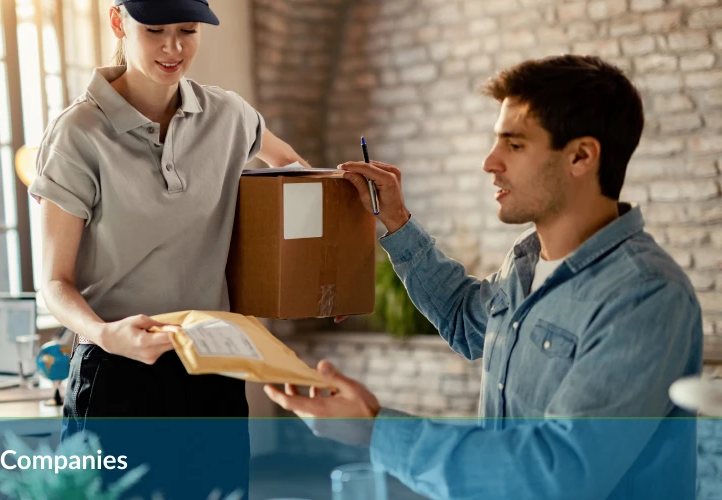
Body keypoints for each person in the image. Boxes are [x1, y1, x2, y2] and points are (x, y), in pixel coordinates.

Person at [265, 54, 703, 500]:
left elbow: (556, 474)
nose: (489, 162)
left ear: (581, 156)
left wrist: (376, 431)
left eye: (513, 145)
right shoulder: (527, 263)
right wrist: (395, 218)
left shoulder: (645, 295)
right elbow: (463, 318)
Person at [28, 0, 309, 497]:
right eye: (154, 29)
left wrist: (322, 278)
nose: (173, 47)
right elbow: (53, 282)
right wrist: (105, 333)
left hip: (212, 365)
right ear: (118, 23)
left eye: (187, 30)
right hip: (118, 371)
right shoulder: (77, 134)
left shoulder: (229, 115)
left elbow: (294, 173)